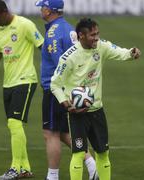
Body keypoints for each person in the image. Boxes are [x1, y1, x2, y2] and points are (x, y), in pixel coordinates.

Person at [50, 18, 141, 180]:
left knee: (103, 153)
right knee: (78, 153)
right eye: (92, 35)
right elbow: (55, 84)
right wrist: (65, 103)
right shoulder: (69, 58)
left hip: (97, 110)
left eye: (97, 33)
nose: (96, 37)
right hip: (77, 113)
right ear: (81, 36)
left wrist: (131, 52)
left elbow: (119, 52)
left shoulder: (101, 46)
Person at [0, 0, 44, 179]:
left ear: (5, 12)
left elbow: (43, 47)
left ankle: (15, 168)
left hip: (26, 80)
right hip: (8, 83)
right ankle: (26, 168)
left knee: (14, 123)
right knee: (14, 125)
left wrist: (52, 73)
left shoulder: (25, 25)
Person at [35, 0, 98, 179]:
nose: (41, 9)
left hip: (55, 89)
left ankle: (52, 176)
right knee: (63, 133)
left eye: (43, 6)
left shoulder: (53, 32)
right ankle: (91, 164)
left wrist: (63, 91)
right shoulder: (68, 28)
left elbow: (60, 64)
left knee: (50, 133)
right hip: (68, 87)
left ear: (49, 10)